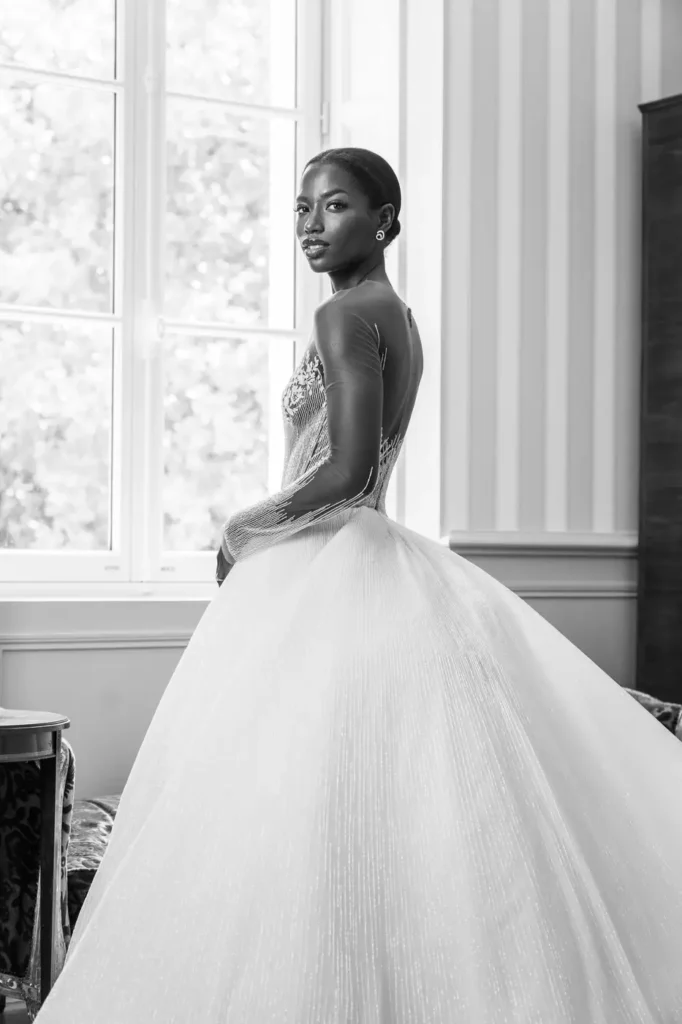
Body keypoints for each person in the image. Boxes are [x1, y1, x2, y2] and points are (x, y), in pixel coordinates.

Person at [36, 147, 682, 1023]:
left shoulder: (343, 317)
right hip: (359, 567)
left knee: (297, 814)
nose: (310, 223)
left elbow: (346, 471)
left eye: (334, 206)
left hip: (327, 564)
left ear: (383, 220)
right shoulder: (395, 315)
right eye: (302, 206)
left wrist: (244, 525)